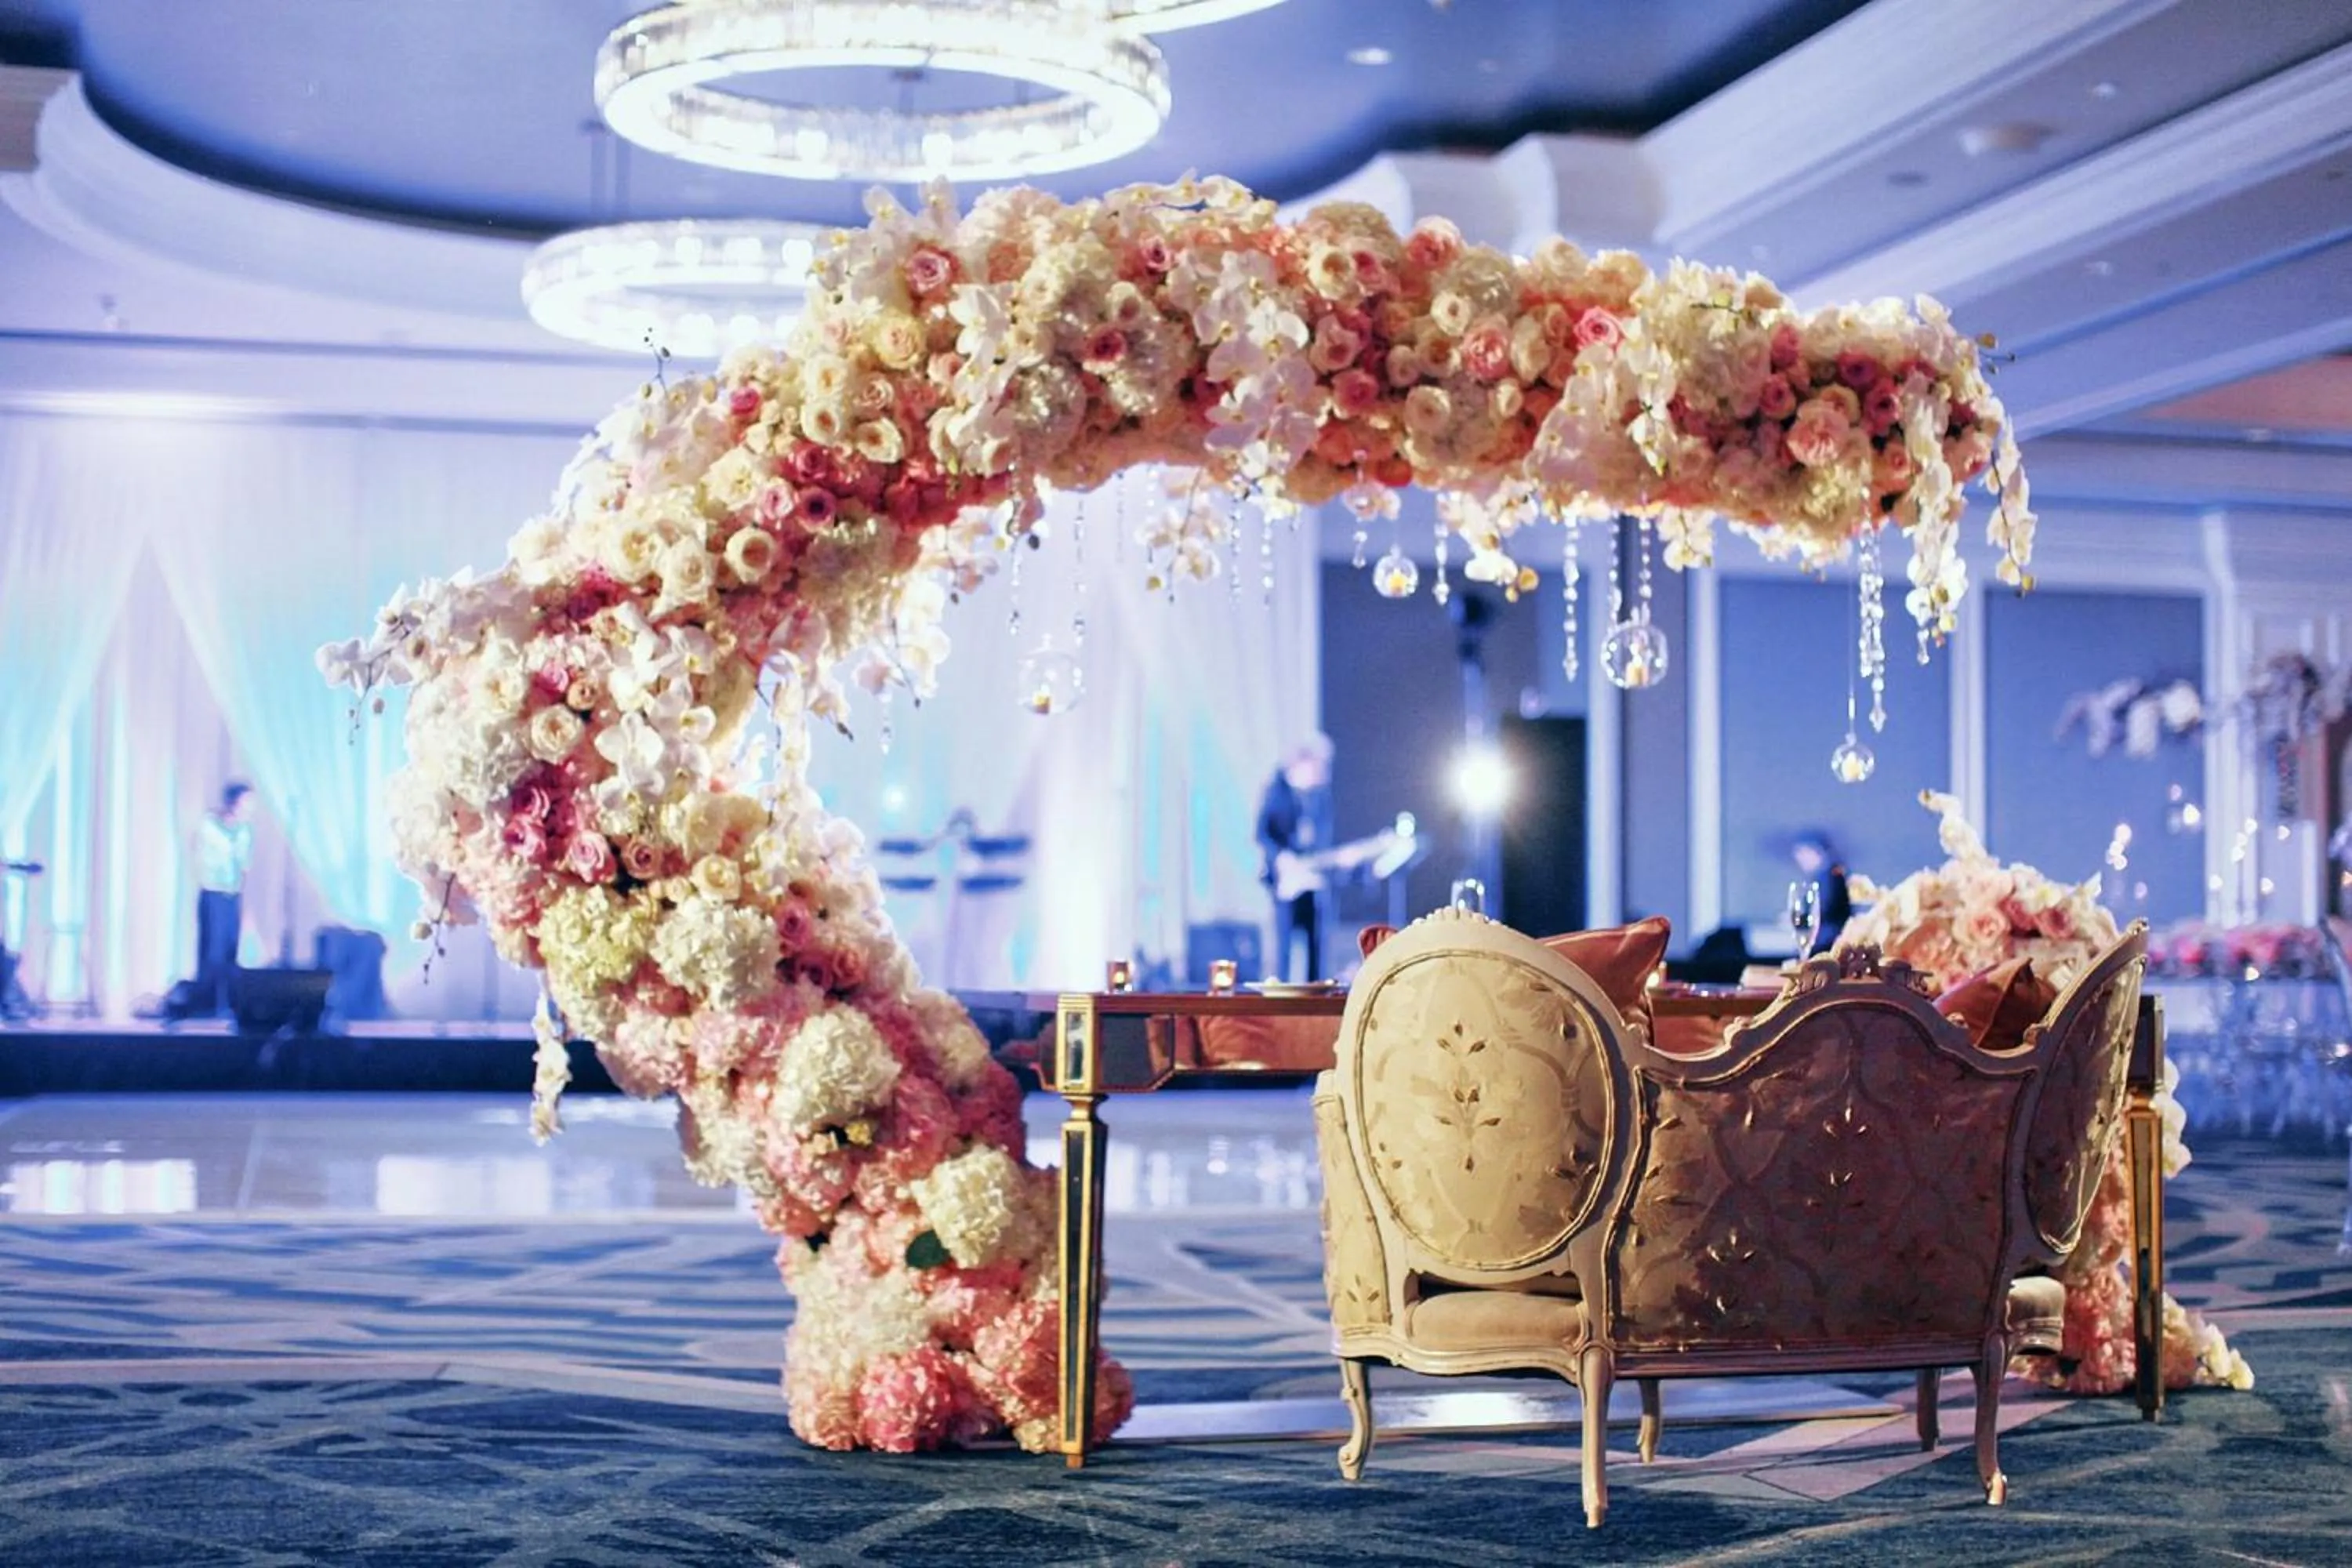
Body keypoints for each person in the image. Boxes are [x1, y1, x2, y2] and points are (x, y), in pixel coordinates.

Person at [1257, 735, 1335, 982]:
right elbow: (1263, 832)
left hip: (1313, 877)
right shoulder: (1277, 791)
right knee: (1284, 944)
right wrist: (1281, 857)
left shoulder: (1320, 796)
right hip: (1286, 879)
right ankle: (1280, 989)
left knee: (1316, 940)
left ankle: (1316, 989)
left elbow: (1324, 834)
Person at [192, 782, 256, 1017]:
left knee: (230, 948)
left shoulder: (245, 830)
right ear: (233, 802)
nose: (249, 808)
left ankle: (228, 1003)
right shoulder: (209, 825)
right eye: (246, 802)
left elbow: (244, 865)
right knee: (213, 951)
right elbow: (205, 858)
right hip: (213, 892)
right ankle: (206, 1003)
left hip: (233, 894)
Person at [1791, 830, 1853, 955]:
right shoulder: (1831, 873)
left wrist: (1798, 918)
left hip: (1825, 942)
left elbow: (1822, 908)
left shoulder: (1828, 876)